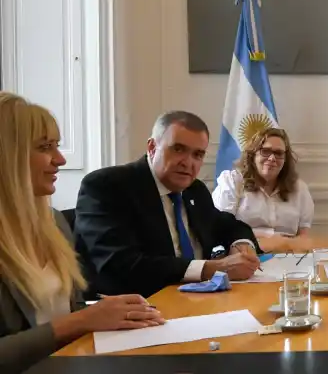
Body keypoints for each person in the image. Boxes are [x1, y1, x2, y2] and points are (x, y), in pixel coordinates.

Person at [0, 93, 164, 374]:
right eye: (45, 147)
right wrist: (83, 320)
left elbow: (70, 308)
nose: (60, 159)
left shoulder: (52, 222)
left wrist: (113, 311)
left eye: (57, 145)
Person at [74, 111, 261, 298]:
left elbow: (227, 225)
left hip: (197, 299)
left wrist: (242, 244)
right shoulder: (107, 186)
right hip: (137, 304)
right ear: (152, 147)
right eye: (178, 149)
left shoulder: (194, 190)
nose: (188, 163)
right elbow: (120, 264)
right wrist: (211, 268)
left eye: (198, 154)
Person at [212, 127, 314, 253]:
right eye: (265, 151)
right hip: (245, 255)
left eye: (279, 153)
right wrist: (273, 242)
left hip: (290, 258)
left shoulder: (299, 189)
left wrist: (287, 245)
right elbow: (221, 231)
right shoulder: (233, 181)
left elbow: (303, 238)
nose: (272, 158)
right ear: (252, 154)